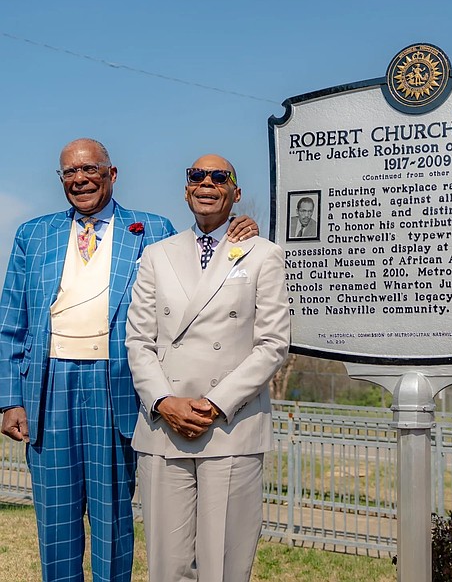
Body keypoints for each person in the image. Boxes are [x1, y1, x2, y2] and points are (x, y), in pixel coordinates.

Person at [0, 138, 258, 582]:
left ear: (112, 174)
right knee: (55, 522)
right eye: (69, 173)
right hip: (48, 387)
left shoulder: (151, 228)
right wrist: (10, 399)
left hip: (117, 387)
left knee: (114, 520)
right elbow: (11, 323)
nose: (79, 179)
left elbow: (200, 254)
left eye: (90, 170)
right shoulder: (32, 234)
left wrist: (238, 228)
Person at [126, 154, 290, 581]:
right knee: (167, 565)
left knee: (224, 566)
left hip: (230, 426)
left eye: (220, 177)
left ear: (235, 193)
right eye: (196, 175)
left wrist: (215, 403)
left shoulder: (262, 254)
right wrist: (164, 401)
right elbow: (139, 342)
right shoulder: (156, 255)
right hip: (164, 427)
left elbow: (272, 344)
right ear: (185, 190)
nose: (207, 183)